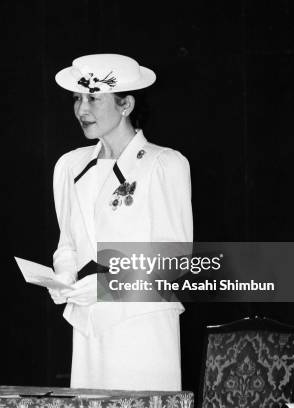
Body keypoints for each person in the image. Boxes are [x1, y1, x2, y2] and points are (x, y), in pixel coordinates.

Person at [49, 54, 193, 390]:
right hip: (88, 324)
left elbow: (174, 260)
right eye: (77, 99)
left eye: (94, 99)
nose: (82, 110)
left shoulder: (164, 164)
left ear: (125, 104)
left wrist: (104, 287)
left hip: (142, 324)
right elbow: (67, 243)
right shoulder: (70, 166)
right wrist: (64, 277)